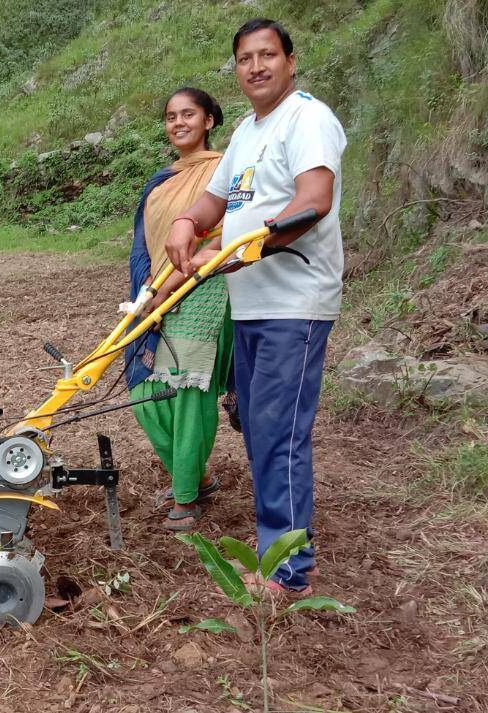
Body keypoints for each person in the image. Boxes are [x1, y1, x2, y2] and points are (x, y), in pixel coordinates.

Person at [165, 19, 347, 594]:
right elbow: (219, 195)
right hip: (250, 304)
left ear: (291, 61)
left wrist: (246, 250)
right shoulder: (247, 129)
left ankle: (289, 569)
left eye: (268, 55)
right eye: (245, 58)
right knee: (260, 429)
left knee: (279, 431)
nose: (257, 66)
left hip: (295, 301)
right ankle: (282, 551)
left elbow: (312, 201)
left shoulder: (308, 119)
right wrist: (188, 221)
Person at [125, 88, 231, 532]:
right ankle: (197, 475)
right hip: (156, 290)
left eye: (189, 114)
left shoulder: (222, 171)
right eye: (171, 116)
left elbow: (223, 237)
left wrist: (168, 288)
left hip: (205, 288)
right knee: (143, 395)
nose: (178, 122)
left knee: (187, 392)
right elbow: (146, 245)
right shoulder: (161, 180)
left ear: (209, 120)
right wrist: (150, 291)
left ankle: (186, 497)